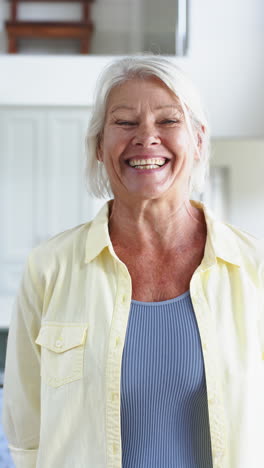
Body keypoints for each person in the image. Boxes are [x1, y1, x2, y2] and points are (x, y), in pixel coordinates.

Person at [2, 55, 264, 468]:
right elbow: (26, 435)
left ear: (197, 141)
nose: (146, 137)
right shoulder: (48, 268)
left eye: (168, 121)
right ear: (98, 147)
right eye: (125, 122)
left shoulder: (254, 268)